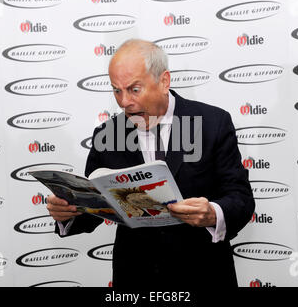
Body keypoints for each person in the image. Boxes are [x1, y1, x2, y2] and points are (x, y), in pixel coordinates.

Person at [46, 39, 254, 288]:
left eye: (134, 89)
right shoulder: (106, 135)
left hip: (203, 274)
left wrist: (212, 213)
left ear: (164, 81)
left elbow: (240, 197)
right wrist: (67, 213)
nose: (124, 102)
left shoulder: (213, 123)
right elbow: (94, 207)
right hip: (136, 278)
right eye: (116, 90)